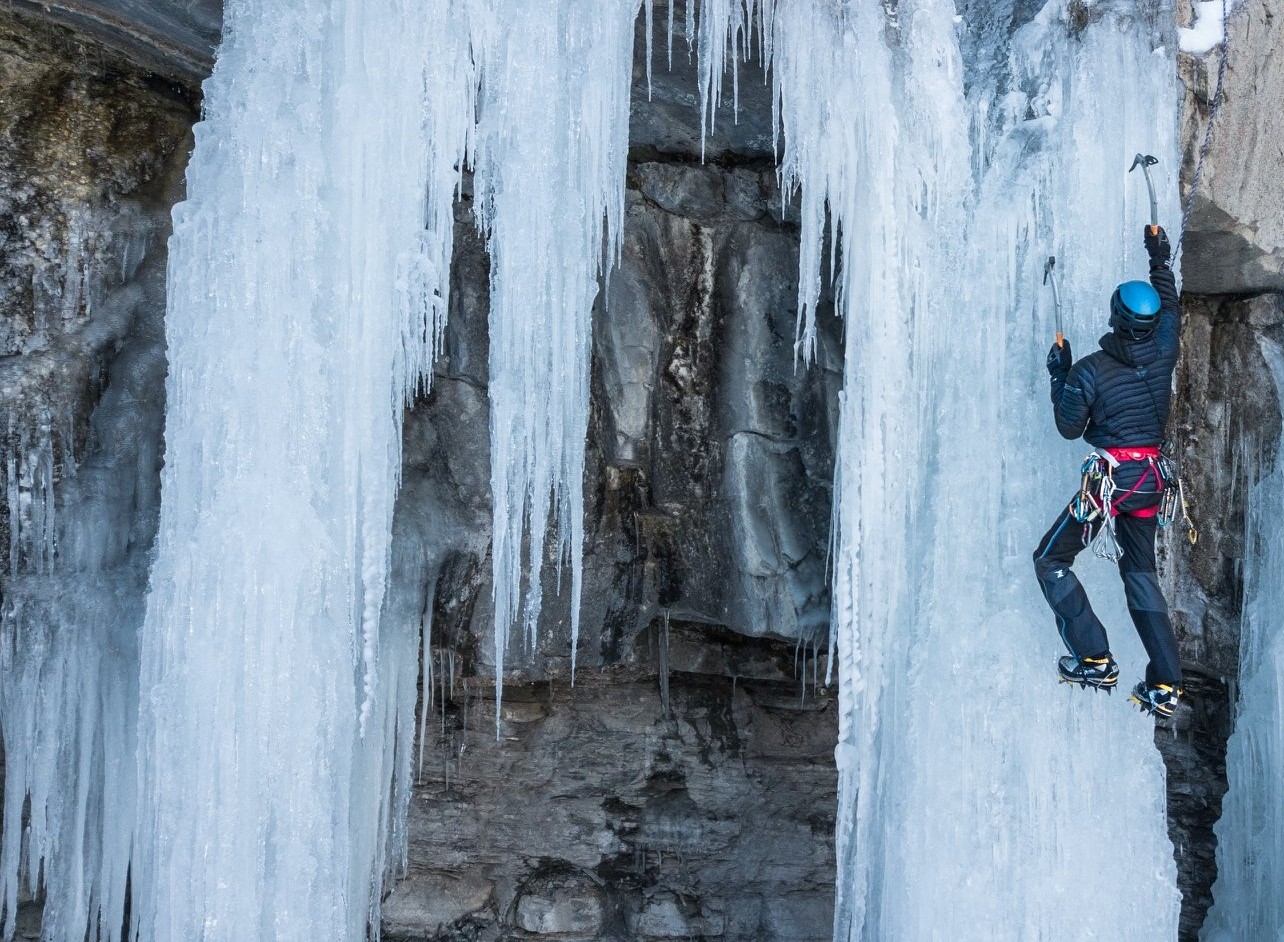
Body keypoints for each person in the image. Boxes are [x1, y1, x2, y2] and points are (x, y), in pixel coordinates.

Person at [1033, 224, 1183, 718]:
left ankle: (1094, 657)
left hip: (1111, 485)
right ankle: (1165, 683)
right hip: (1150, 484)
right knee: (1140, 573)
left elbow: (1068, 427)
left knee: (1051, 561)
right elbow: (1169, 302)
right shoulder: (1164, 348)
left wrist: (1060, 374)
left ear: (1115, 318)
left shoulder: (1091, 370)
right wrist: (1159, 256)